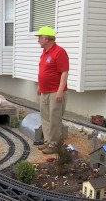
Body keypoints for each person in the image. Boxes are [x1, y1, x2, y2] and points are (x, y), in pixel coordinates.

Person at [35, 26, 69, 154]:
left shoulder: (60, 52)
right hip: (44, 91)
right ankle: (48, 141)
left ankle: (54, 145)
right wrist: (40, 85)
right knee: (45, 117)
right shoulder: (45, 52)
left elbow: (64, 72)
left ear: (46, 38)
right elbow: (44, 71)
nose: (38, 40)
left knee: (54, 118)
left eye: (40, 38)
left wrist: (60, 90)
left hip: (55, 92)